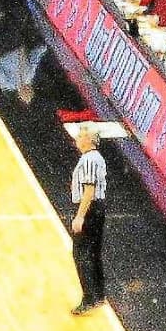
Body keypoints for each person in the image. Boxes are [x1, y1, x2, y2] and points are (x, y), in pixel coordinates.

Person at [68, 131, 111, 314]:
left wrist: (80, 216)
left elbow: (89, 190)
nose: (77, 139)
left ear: (88, 140)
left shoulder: (89, 160)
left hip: (90, 209)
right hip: (97, 208)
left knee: (81, 253)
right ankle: (99, 295)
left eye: (80, 136)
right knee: (93, 252)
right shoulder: (97, 159)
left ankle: (89, 298)